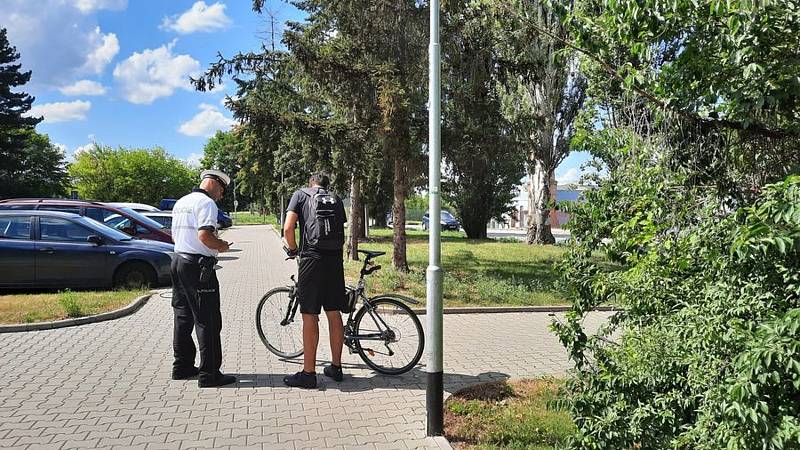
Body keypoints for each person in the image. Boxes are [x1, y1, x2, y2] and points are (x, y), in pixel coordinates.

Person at [170, 169, 236, 388]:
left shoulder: (181, 202)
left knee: (183, 317)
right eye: (222, 191)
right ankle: (209, 374)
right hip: (198, 267)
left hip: (178, 261)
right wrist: (223, 246)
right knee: (207, 320)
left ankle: (182, 366)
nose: (221, 196)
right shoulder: (207, 204)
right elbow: (205, 236)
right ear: (215, 185)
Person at [282, 173, 347, 389]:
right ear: (327, 186)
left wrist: (292, 249)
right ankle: (336, 368)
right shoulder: (336, 199)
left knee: (310, 315)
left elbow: (288, 227)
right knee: (334, 312)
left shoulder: (300, 195)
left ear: (311, 183)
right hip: (335, 260)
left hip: (312, 258)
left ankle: (308, 374)